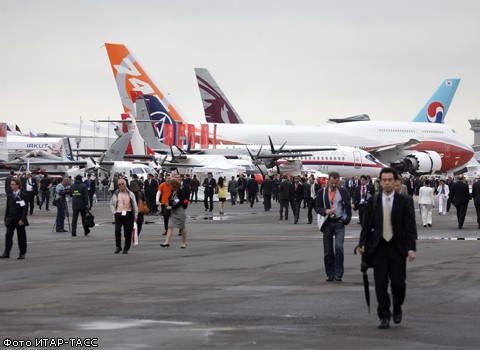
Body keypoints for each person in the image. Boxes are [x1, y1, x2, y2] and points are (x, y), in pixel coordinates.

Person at [358, 167, 417, 329]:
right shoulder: (374, 200)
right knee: (380, 283)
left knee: (398, 283)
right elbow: (366, 224)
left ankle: (397, 305)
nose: (387, 183)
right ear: (380, 182)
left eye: (390, 180)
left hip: (397, 249)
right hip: (379, 248)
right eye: (384, 180)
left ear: (395, 181)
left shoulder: (403, 201)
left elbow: (410, 226)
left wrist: (411, 248)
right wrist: (362, 243)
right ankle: (384, 315)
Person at [315, 172, 352, 282]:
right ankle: (330, 274)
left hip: (339, 222)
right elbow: (317, 207)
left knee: (339, 248)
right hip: (327, 222)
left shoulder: (343, 191)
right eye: (332, 183)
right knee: (328, 251)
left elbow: (347, 205)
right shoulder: (322, 192)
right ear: (328, 181)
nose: (334, 185)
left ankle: (338, 273)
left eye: (336, 183)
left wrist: (346, 218)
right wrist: (325, 211)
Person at [1, 178, 29, 260]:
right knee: (8, 235)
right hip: (10, 219)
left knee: (21, 237)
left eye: (13, 184)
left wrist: (22, 219)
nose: (11, 186)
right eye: (11, 184)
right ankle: (6, 252)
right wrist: (6, 219)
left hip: (19, 219)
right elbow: (8, 208)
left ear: (18, 185)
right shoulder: (9, 196)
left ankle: (22, 253)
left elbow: (25, 209)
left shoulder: (23, 195)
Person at [109, 178, 138, 254]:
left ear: (125, 185)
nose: (121, 186)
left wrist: (135, 216)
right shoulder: (116, 194)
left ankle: (126, 248)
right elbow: (111, 204)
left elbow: (134, 205)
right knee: (117, 230)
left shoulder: (131, 194)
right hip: (118, 214)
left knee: (127, 232)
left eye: (122, 184)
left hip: (128, 214)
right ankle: (118, 246)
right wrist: (114, 212)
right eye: (119, 185)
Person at [160, 179, 187, 249]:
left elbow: (180, 202)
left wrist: (171, 206)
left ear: (174, 185)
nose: (170, 187)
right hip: (173, 211)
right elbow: (170, 199)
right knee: (170, 226)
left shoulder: (181, 191)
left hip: (180, 211)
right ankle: (167, 242)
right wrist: (168, 203)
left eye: (171, 185)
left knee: (182, 227)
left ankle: (183, 243)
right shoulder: (172, 191)